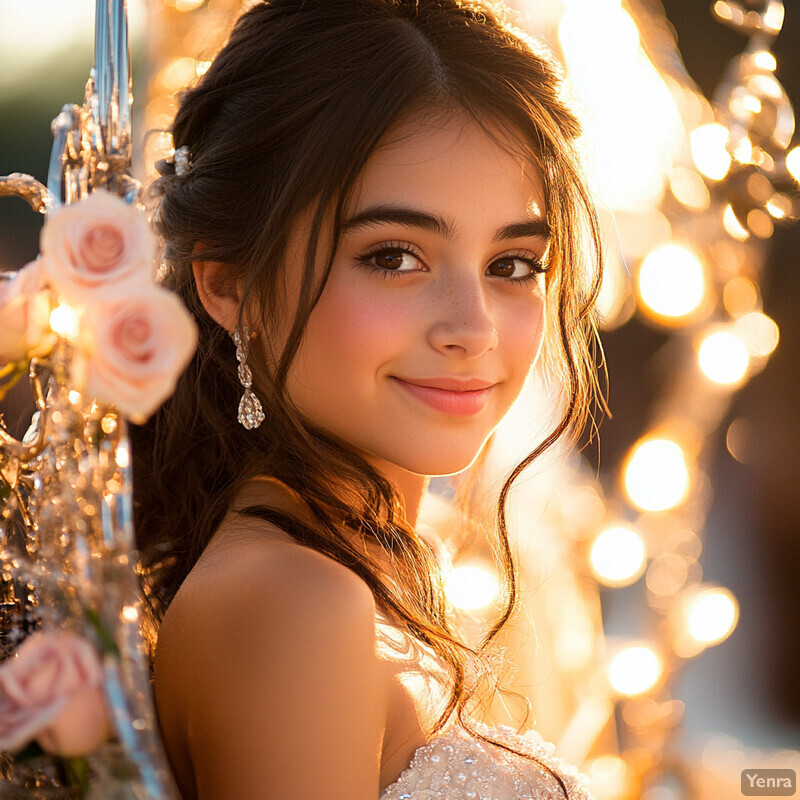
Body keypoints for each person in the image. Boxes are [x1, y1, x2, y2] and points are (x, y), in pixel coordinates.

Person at [130, 0, 604, 798]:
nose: (474, 329)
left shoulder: (365, 576)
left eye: (514, 263)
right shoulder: (295, 604)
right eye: (393, 257)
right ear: (228, 282)